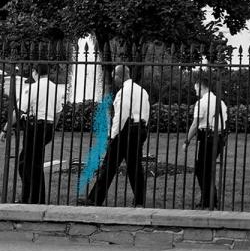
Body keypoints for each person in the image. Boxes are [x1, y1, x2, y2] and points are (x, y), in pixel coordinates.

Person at [81, 65, 151, 206]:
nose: (114, 80)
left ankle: (94, 199)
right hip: (140, 129)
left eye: (115, 77)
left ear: (120, 76)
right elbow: (147, 112)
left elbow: (121, 116)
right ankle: (139, 200)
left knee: (109, 166)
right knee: (135, 167)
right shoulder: (142, 91)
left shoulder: (124, 92)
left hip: (126, 131)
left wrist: (112, 136)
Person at [1, 65, 66, 204]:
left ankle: (33, 200)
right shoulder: (55, 89)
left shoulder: (32, 88)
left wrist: (5, 129)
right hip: (47, 127)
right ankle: (30, 198)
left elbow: (18, 112)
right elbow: (58, 113)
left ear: (35, 72)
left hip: (35, 128)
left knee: (28, 164)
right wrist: (52, 128)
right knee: (30, 163)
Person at [182, 75, 228, 209]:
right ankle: (209, 199)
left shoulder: (202, 102)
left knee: (202, 170)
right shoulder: (221, 101)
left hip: (207, 138)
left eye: (195, 88)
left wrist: (187, 141)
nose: (195, 91)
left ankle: (208, 200)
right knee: (207, 169)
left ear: (200, 87)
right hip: (219, 138)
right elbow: (224, 121)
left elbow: (195, 124)